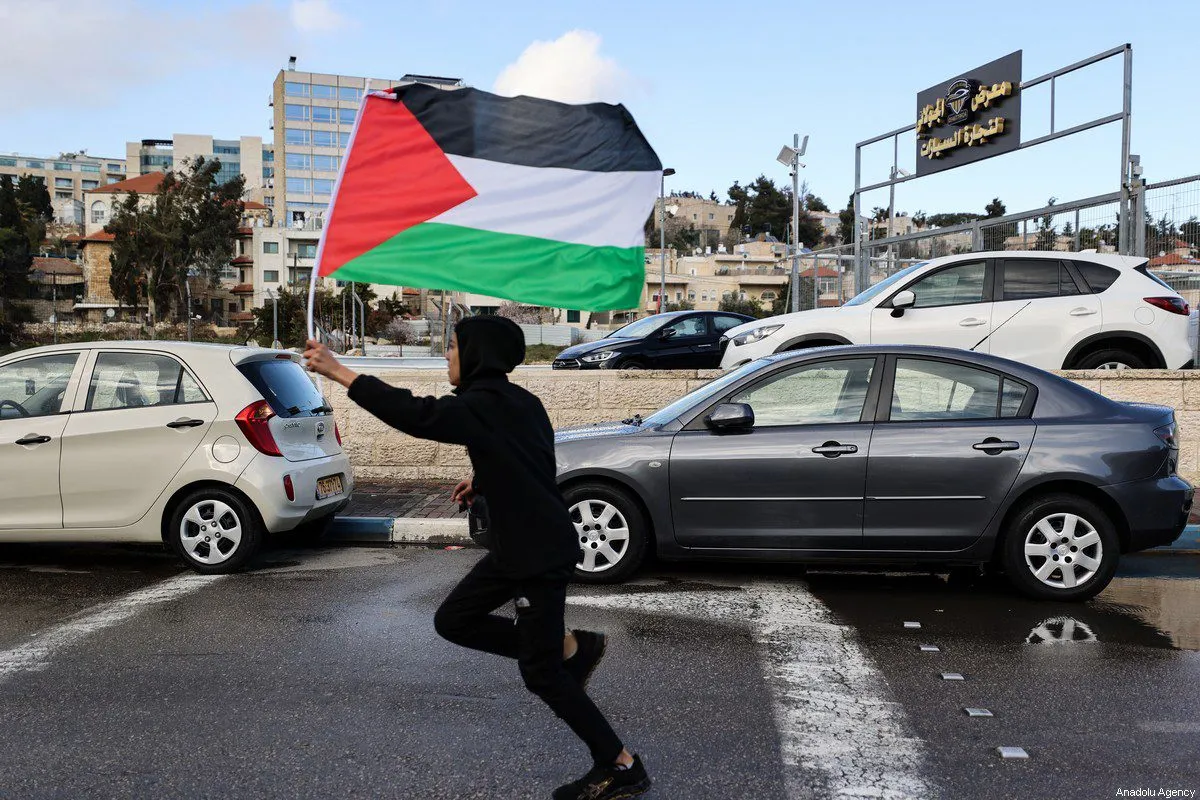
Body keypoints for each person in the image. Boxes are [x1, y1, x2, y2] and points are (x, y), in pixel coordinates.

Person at [303, 315, 651, 800]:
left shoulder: (481, 405)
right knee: (454, 620)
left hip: (535, 553)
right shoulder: (519, 402)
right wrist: (482, 479)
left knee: (541, 673)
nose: (448, 355)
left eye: (452, 346)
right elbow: (528, 455)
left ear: (477, 353)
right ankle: (571, 647)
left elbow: (415, 414)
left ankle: (620, 765)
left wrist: (340, 372)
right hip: (519, 546)